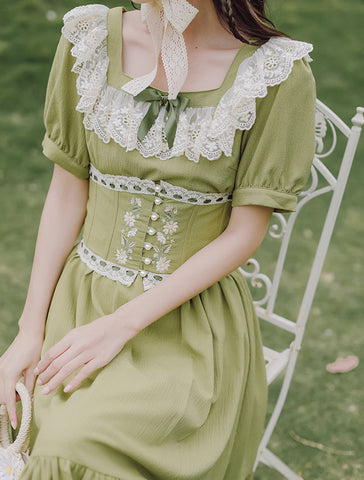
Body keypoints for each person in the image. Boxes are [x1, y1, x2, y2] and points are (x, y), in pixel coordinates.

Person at [0, 0, 316, 478]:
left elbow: (245, 232)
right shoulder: (87, 40)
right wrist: (29, 331)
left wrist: (121, 326)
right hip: (81, 302)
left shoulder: (276, 73)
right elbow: (66, 197)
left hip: (189, 322)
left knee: (78, 444)